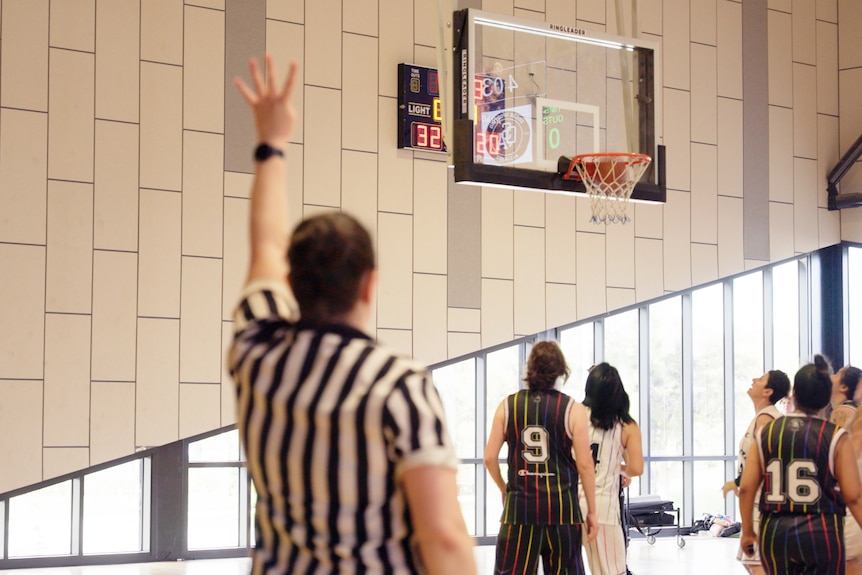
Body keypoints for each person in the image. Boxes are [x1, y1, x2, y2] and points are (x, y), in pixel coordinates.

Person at [227, 54, 476, 575]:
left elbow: (266, 246)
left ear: (292, 285)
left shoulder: (257, 347)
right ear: (370, 282)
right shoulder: (396, 385)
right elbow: (444, 537)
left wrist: (271, 144)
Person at [739, 355, 862, 575]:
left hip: (775, 532)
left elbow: (747, 487)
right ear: (825, 401)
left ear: (793, 394)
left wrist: (748, 530)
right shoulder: (834, 435)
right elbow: (853, 496)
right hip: (820, 531)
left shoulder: (767, 432)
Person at [484, 341, 598, 575]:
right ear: (560, 370)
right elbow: (586, 465)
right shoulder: (572, 409)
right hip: (563, 511)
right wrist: (592, 512)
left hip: (519, 511)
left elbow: (489, 458)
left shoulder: (507, 406)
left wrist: (504, 488)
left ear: (530, 369)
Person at [721, 370, 790, 575]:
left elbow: (767, 460)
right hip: (758, 499)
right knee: (752, 561)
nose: (753, 380)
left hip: (765, 501)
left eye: (760, 380)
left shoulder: (767, 419)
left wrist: (739, 481)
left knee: (756, 562)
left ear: (768, 391)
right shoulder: (762, 416)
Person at [578, 363, 643, 575]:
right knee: (612, 570)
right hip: (603, 507)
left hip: (572, 504)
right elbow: (637, 467)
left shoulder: (575, 416)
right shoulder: (626, 424)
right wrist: (619, 469)